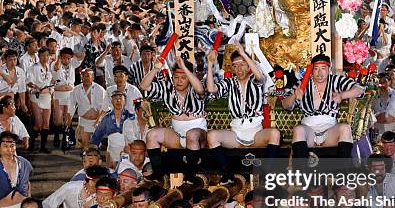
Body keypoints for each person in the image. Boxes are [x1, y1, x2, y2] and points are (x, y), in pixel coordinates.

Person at [206, 44, 280, 182]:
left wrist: (244, 54)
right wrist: (210, 64)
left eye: (242, 64)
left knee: (274, 134)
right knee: (212, 136)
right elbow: (211, 89)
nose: (239, 69)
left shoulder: (255, 80)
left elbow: (260, 77)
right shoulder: (229, 82)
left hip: (256, 132)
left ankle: (266, 173)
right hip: (236, 132)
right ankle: (227, 174)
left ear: (248, 65)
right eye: (235, 66)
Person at [282, 54, 363, 159]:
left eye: (323, 68)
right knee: (298, 130)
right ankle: (302, 172)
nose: (319, 73)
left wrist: (342, 95)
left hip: (330, 130)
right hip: (309, 130)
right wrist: (294, 96)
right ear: (311, 70)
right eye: (316, 69)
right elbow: (285, 105)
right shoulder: (303, 83)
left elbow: (360, 89)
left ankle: (343, 171)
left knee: (345, 128)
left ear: (329, 69)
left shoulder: (336, 81)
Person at [141, 56, 206, 179]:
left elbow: (200, 90)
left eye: (183, 78)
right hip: (177, 136)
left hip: (198, 137)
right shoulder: (167, 88)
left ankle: (190, 176)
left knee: (191, 135)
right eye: (176, 77)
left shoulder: (195, 88)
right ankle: (158, 173)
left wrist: (185, 69)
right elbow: (144, 86)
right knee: (152, 135)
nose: (179, 81)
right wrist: (155, 69)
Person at [90, 91, 135, 167]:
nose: (118, 101)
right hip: (112, 152)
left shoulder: (131, 117)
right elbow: (97, 136)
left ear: (125, 101)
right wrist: (93, 153)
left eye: (120, 98)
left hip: (128, 151)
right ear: (111, 101)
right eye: (115, 98)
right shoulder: (107, 118)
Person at [66, 67, 107, 149]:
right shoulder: (76, 89)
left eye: (88, 76)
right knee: (85, 144)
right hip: (84, 121)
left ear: (93, 77)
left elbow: (105, 106)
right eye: (83, 76)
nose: (85, 78)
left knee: (95, 145)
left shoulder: (100, 89)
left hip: (97, 121)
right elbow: (71, 105)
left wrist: (99, 120)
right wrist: (69, 119)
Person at [0, 131, 32, 208]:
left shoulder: (24, 162)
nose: (9, 149)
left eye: (12, 146)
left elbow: (27, 183)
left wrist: (29, 204)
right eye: (5, 146)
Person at [51, 47, 82, 148]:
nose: (67, 60)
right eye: (64, 58)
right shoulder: (55, 63)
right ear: (61, 57)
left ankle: (65, 138)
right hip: (59, 95)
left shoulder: (72, 64)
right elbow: (56, 68)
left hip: (70, 95)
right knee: (59, 119)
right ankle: (56, 135)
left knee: (67, 119)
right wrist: (59, 58)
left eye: (69, 58)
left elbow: (82, 56)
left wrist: (73, 54)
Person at [26, 47, 54, 153]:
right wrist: (35, 86)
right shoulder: (33, 67)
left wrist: (51, 88)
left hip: (47, 96)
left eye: (47, 55)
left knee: (46, 124)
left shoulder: (49, 66)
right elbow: (28, 81)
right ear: (39, 56)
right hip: (37, 97)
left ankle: (43, 147)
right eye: (43, 55)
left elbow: (52, 80)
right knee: (38, 123)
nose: (45, 57)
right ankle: (31, 145)